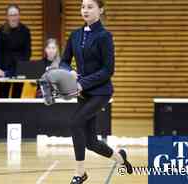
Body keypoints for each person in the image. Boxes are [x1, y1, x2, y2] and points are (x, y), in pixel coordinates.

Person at [60, 0, 132, 183]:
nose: (85, 10)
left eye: (90, 7)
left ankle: (80, 173)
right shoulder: (75, 35)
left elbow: (108, 70)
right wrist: (69, 71)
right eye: (83, 6)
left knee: (75, 123)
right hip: (83, 92)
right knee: (91, 142)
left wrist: (82, 83)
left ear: (100, 10)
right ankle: (120, 158)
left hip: (101, 92)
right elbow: (64, 61)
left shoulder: (105, 36)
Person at [0, 4, 31, 98]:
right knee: (3, 97)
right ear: (7, 17)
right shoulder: (1, 30)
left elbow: (27, 52)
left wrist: (23, 68)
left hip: (19, 69)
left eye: (15, 15)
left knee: (17, 97)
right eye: (11, 15)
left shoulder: (25, 31)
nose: (13, 18)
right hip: (4, 68)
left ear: (19, 16)